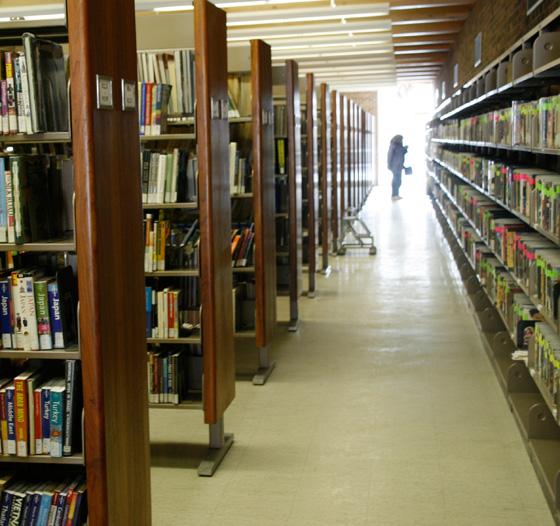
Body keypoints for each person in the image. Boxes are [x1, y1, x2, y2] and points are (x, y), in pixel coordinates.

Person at [387, 135, 408, 200]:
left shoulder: (399, 146)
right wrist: (389, 165)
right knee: (396, 180)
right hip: (395, 166)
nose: (402, 140)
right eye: (401, 139)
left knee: (398, 180)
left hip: (399, 165)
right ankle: (394, 195)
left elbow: (400, 154)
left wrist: (405, 149)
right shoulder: (393, 146)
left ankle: (396, 194)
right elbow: (390, 156)